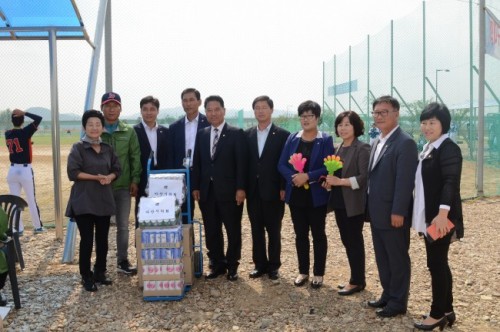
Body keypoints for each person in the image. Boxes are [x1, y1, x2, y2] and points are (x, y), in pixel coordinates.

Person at [412, 103, 463, 331]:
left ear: (444, 124)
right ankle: (447, 309)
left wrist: (442, 214)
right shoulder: (428, 147)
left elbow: (450, 182)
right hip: (429, 215)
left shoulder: (448, 148)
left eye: (432, 122)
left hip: (440, 218)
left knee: (436, 263)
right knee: (439, 263)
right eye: (424, 122)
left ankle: (437, 314)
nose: (427, 127)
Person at [366, 95, 418, 318]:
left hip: (393, 213)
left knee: (397, 257)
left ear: (396, 114)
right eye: (376, 112)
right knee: (382, 256)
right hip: (377, 212)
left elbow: (404, 181)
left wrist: (398, 211)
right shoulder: (378, 141)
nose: (379, 116)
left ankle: (398, 301)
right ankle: (388, 293)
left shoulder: (405, 143)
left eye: (384, 112)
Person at [278, 100, 334, 289]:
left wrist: (307, 176)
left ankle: (318, 273)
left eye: (310, 116)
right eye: (303, 116)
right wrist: (295, 178)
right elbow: (281, 165)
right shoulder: (293, 138)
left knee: (318, 234)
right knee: (300, 234)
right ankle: (303, 271)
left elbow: (328, 166)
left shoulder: (325, 139)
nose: (306, 119)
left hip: (316, 195)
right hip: (296, 195)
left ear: (317, 118)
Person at [191, 95, 247, 281]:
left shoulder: (236, 133)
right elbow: (197, 162)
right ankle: (217, 263)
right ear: (205, 112)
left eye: (217, 109)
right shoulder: (202, 133)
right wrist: (196, 186)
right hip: (207, 191)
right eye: (209, 110)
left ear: (224, 110)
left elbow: (241, 164)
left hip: (230, 192)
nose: (213, 113)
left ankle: (232, 265)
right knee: (212, 229)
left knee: (232, 229)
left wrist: (241, 188)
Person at [65, 110, 121, 291]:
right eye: (90, 124)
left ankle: (100, 272)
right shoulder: (78, 148)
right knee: (87, 240)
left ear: (103, 127)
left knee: (103, 240)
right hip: (84, 201)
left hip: (103, 200)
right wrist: (96, 178)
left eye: (98, 124)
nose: (94, 128)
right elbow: (73, 173)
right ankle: (86, 276)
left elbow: (117, 169)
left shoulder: (107, 148)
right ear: (84, 127)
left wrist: (110, 177)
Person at [323, 111, 370, 295]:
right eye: (340, 125)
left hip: (354, 203)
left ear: (356, 127)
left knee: (354, 241)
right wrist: (329, 182)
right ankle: (355, 278)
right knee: (347, 241)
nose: (343, 128)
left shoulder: (362, 148)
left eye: (347, 124)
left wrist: (340, 182)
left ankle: (357, 281)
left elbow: (364, 177)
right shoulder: (338, 148)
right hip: (339, 202)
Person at [245, 96, 289, 280]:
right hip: (253, 190)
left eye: (264, 107)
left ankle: (274, 266)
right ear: (254, 111)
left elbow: (286, 163)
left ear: (271, 110)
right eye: (257, 108)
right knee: (256, 229)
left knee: (273, 229)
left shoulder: (283, 135)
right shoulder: (246, 134)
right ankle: (259, 264)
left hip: (274, 191)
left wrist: (283, 186)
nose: (260, 111)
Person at [100, 92, 142, 275]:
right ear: (102, 108)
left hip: (123, 186)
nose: (111, 109)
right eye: (108, 105)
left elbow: (135, 157)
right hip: (100, 187)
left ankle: (122, 260)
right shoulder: (95, 128)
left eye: (115, 105)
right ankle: (100, 264)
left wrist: (135, 180)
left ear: (120, 108)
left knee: (123, 226)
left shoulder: (128, 131)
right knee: (100, 225)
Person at [167, 88, 210, 223]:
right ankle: (187, 244)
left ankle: (212, 244)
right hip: (181, 175)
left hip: (203, 175)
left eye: (192, 100)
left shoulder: (209, 123)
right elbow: (171, 154)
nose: (188, 104)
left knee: (210, 216)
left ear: (199, 102)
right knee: (184, 216)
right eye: (185, 100)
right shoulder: (174, 127)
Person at [5, 108, 44, 234]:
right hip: (25, 170)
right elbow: (38, 119)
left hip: (12, 171)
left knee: (15, 201)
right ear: (22, 120)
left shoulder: (7, 133)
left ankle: (18, 228)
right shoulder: (25, 132)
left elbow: (18, 143)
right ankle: (37, 227)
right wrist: (25, 113)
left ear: (12, 121)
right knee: (31, 199)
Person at [133, 96, 169, 227]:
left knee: (162, 212)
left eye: (152, 109)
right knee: (142, 213)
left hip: (162, 179)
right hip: (142, 178)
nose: (149, 112)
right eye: (145, 109)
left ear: (158, 111)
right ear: (141, 111)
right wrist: (134, 180)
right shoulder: (134, 131)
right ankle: (140, 246)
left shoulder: (165, 131)